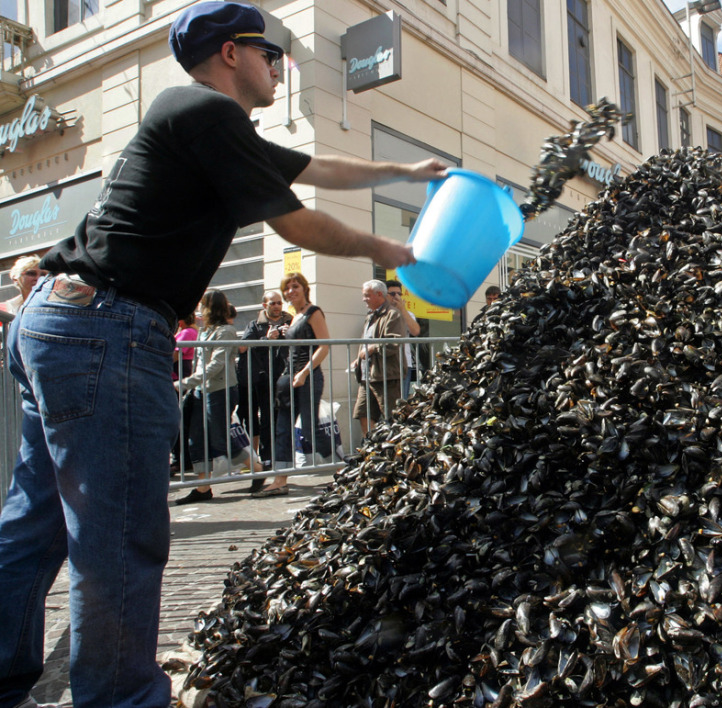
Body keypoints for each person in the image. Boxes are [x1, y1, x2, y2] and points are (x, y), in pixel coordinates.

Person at [0, 3, 447, 705]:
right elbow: (294, 218)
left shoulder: (202, 123)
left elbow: (317, 167)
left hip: (59, 321)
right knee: (119, 534)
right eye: (270, 55)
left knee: (36, 521)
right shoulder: (209, 114)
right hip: (105, 328)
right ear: (231, 55)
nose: (279, 67)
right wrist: (391, 250)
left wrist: (406, 167)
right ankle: (120, 698)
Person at [173, 290, 261, 504]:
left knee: (220, 440)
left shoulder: (226, 331)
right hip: (201, 391)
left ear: (210, 307)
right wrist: (192, 386)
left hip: (219, 391)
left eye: (202, 305)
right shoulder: (205, 331)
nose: (198, 309)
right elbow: (200, 363)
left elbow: (216, 365)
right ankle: (203, 488)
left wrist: (185, 383)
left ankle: (258, 470)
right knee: (196, 439)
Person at [259, 272, 330, 498]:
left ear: (304, 288)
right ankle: (280, 480)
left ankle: (345, 470)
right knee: (282, 429)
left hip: (307, 377)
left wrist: (304, 372)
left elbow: (324, 346)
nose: (291, 291)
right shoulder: (294, 317)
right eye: (287, 287)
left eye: (295, 286)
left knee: (310, 428)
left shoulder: (313, 312)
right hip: (288, 378)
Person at [236, 289, 291, 491]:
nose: (277, 306)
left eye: (279, 303)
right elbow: (242, 347)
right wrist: (266, 339)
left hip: (285, 378)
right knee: (266, 422)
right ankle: (266, 465)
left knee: (283, 422)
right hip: (263, 380)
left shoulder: (291, 321)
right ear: (264, 306)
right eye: (272, 303)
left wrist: (290, 334)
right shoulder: (256, 324)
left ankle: (282, 465)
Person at [353, 280, 406, 436]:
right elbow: (364, 341)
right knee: (363, 414)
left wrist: (372, 349)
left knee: (392, 418)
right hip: (366, 376)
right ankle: (372, 450)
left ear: (379, 295)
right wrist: (358, 359)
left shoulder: (393, 315)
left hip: (386, 376)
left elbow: (394, 343)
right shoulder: (370, 316)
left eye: (367, 296)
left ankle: (394, 453)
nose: (364, 299)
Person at [386, 280, 421, 397]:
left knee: (401, 400)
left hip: (403, 363)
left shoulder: (408, 314)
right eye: (392, 294)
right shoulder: (379, 314)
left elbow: (415, 331)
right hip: (384, 364)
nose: (396, 297)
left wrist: (402, 309)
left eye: (399, 294)